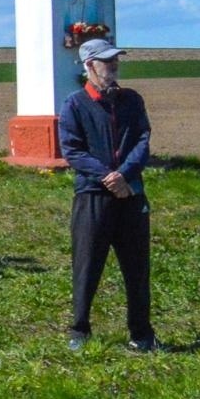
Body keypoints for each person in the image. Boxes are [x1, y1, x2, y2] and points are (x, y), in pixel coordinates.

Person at [58, 39, 157, 352]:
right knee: (87, 265)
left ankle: (142, 334)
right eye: (106, 60)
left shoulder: (132, 100)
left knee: (137, 268)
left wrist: (124, 175)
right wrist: (107, 177)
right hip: (92, 196)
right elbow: (73, 150)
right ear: (89, 65)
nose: (113, 65)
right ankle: (79, 330)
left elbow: (142, 140)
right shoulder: (75, 105)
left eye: (115, 59)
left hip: (131, 194)